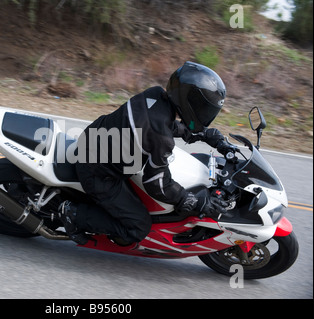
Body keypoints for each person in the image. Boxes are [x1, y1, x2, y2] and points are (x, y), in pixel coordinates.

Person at [58, 61, 234, 246]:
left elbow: (160, 125)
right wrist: (192, 201)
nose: (204, 113)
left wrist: (203, 134)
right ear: (190, 102)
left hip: (94, 142)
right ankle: (73, 213)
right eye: (203, 107)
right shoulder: (160, 137)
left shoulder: (155, 96)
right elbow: (157, 184)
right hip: (98, 173)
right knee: (138, 227)